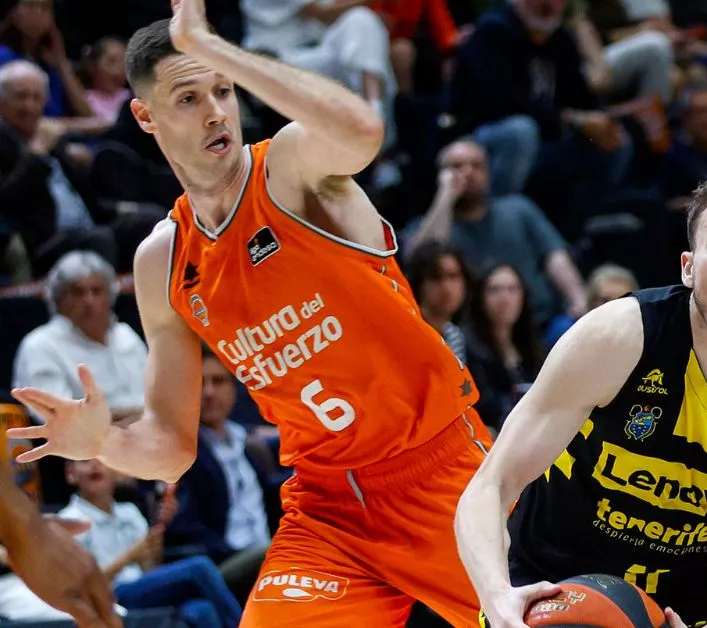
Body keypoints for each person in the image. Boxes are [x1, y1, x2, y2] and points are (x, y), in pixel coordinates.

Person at [6, 2, 491, 627]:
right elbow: (172, 445)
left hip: (438, 470)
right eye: (187, 97)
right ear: (145, 117)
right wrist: (104, 442)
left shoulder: (290, 168)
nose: (214, 110)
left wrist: (213, 47)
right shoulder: (164, 258)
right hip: (327, 511)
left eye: (223, 90)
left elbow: (363, 130)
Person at [455, 171, 707, 628]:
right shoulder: (618, 336)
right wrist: (497, 595)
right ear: (688, 266)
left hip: (682, 613)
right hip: (548, 589)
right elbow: (491, 484)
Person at [0, 456, 121, 628]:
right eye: (85, 461)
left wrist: (28, 530)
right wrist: (27, 531)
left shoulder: (129, 512)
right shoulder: (73, 514)